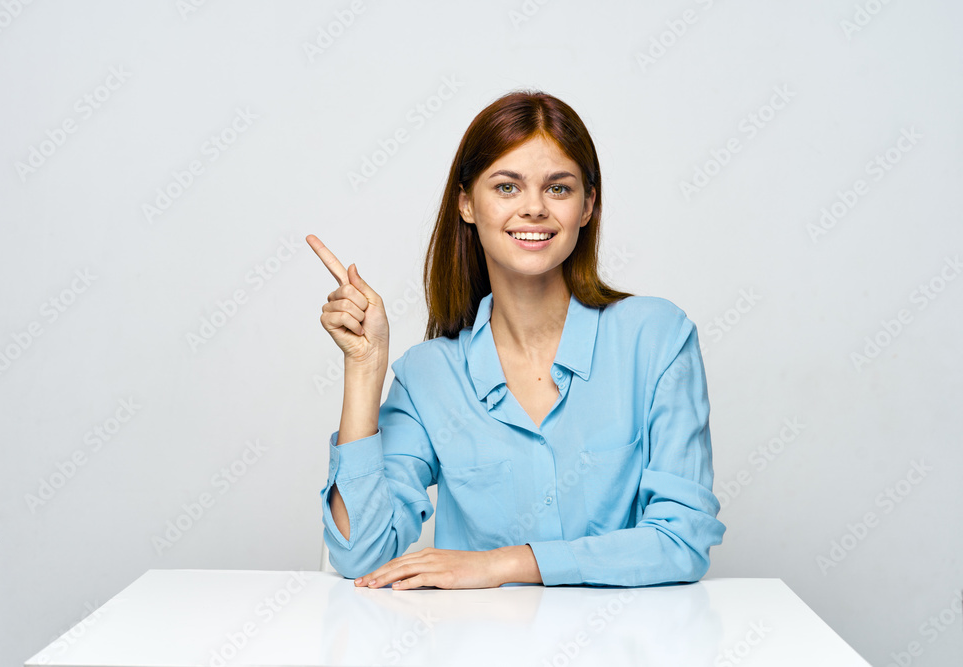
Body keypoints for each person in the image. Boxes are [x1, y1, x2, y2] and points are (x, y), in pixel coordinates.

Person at [306, 90, 725, 590]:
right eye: (507, 187)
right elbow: (361, 551)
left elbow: (682, 542)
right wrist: (365, 369)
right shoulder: (428, 376)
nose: (533, 208)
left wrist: (502, 564)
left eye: (559, 188)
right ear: (466, 204)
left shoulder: (655, 338)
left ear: (587, 206)